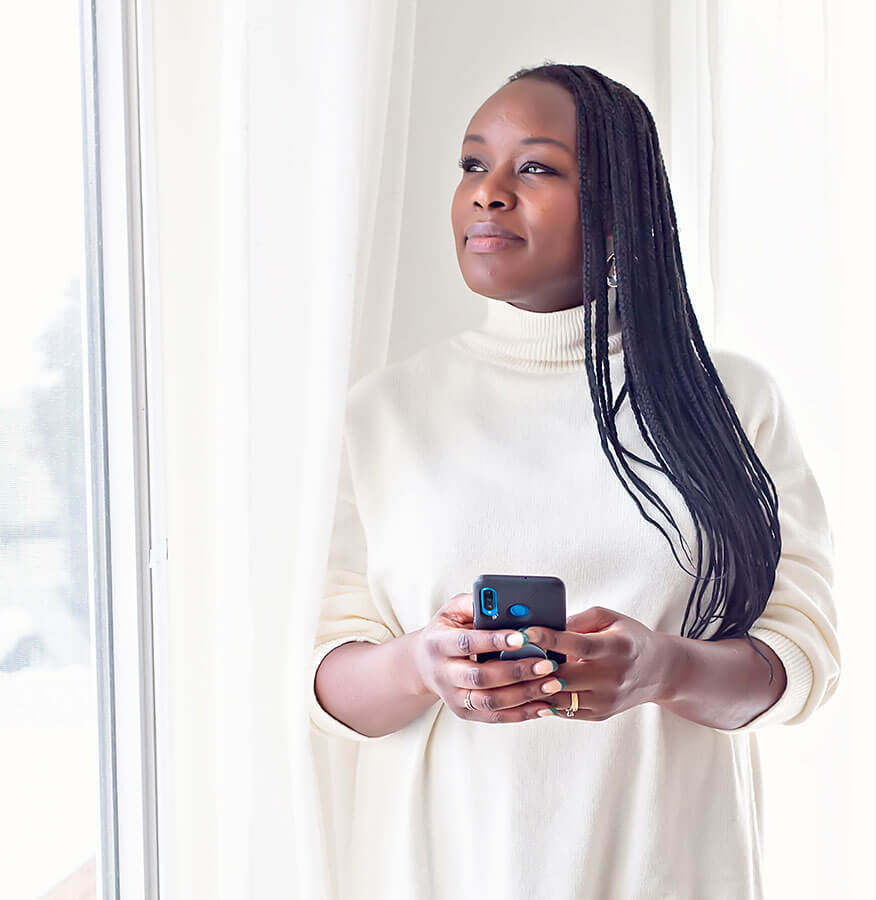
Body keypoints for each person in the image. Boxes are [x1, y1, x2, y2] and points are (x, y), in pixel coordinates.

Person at [308, 62, 840, 900]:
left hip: (673, 872)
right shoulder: (382, 414)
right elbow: (326, 681)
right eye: (473, 164)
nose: (487, 193)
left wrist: (662, 667)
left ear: (621, 211)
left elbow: (801, 660)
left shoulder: (730, 400)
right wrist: (422, 664)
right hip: (442, 873)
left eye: (536, 167)